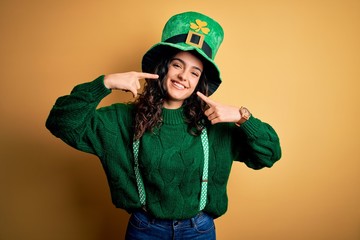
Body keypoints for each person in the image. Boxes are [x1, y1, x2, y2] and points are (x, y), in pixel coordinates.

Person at [46, 11, 281, 240]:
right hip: (144, 229)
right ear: (163, 68)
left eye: (194, 72)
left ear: (200, 82)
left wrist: (242, 117)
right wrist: (105, 83)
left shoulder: (216, 123)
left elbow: (270, 154)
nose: (183, 77)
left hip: (198, 231)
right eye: (177, 65)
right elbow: (61, 123)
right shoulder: (121, 119)